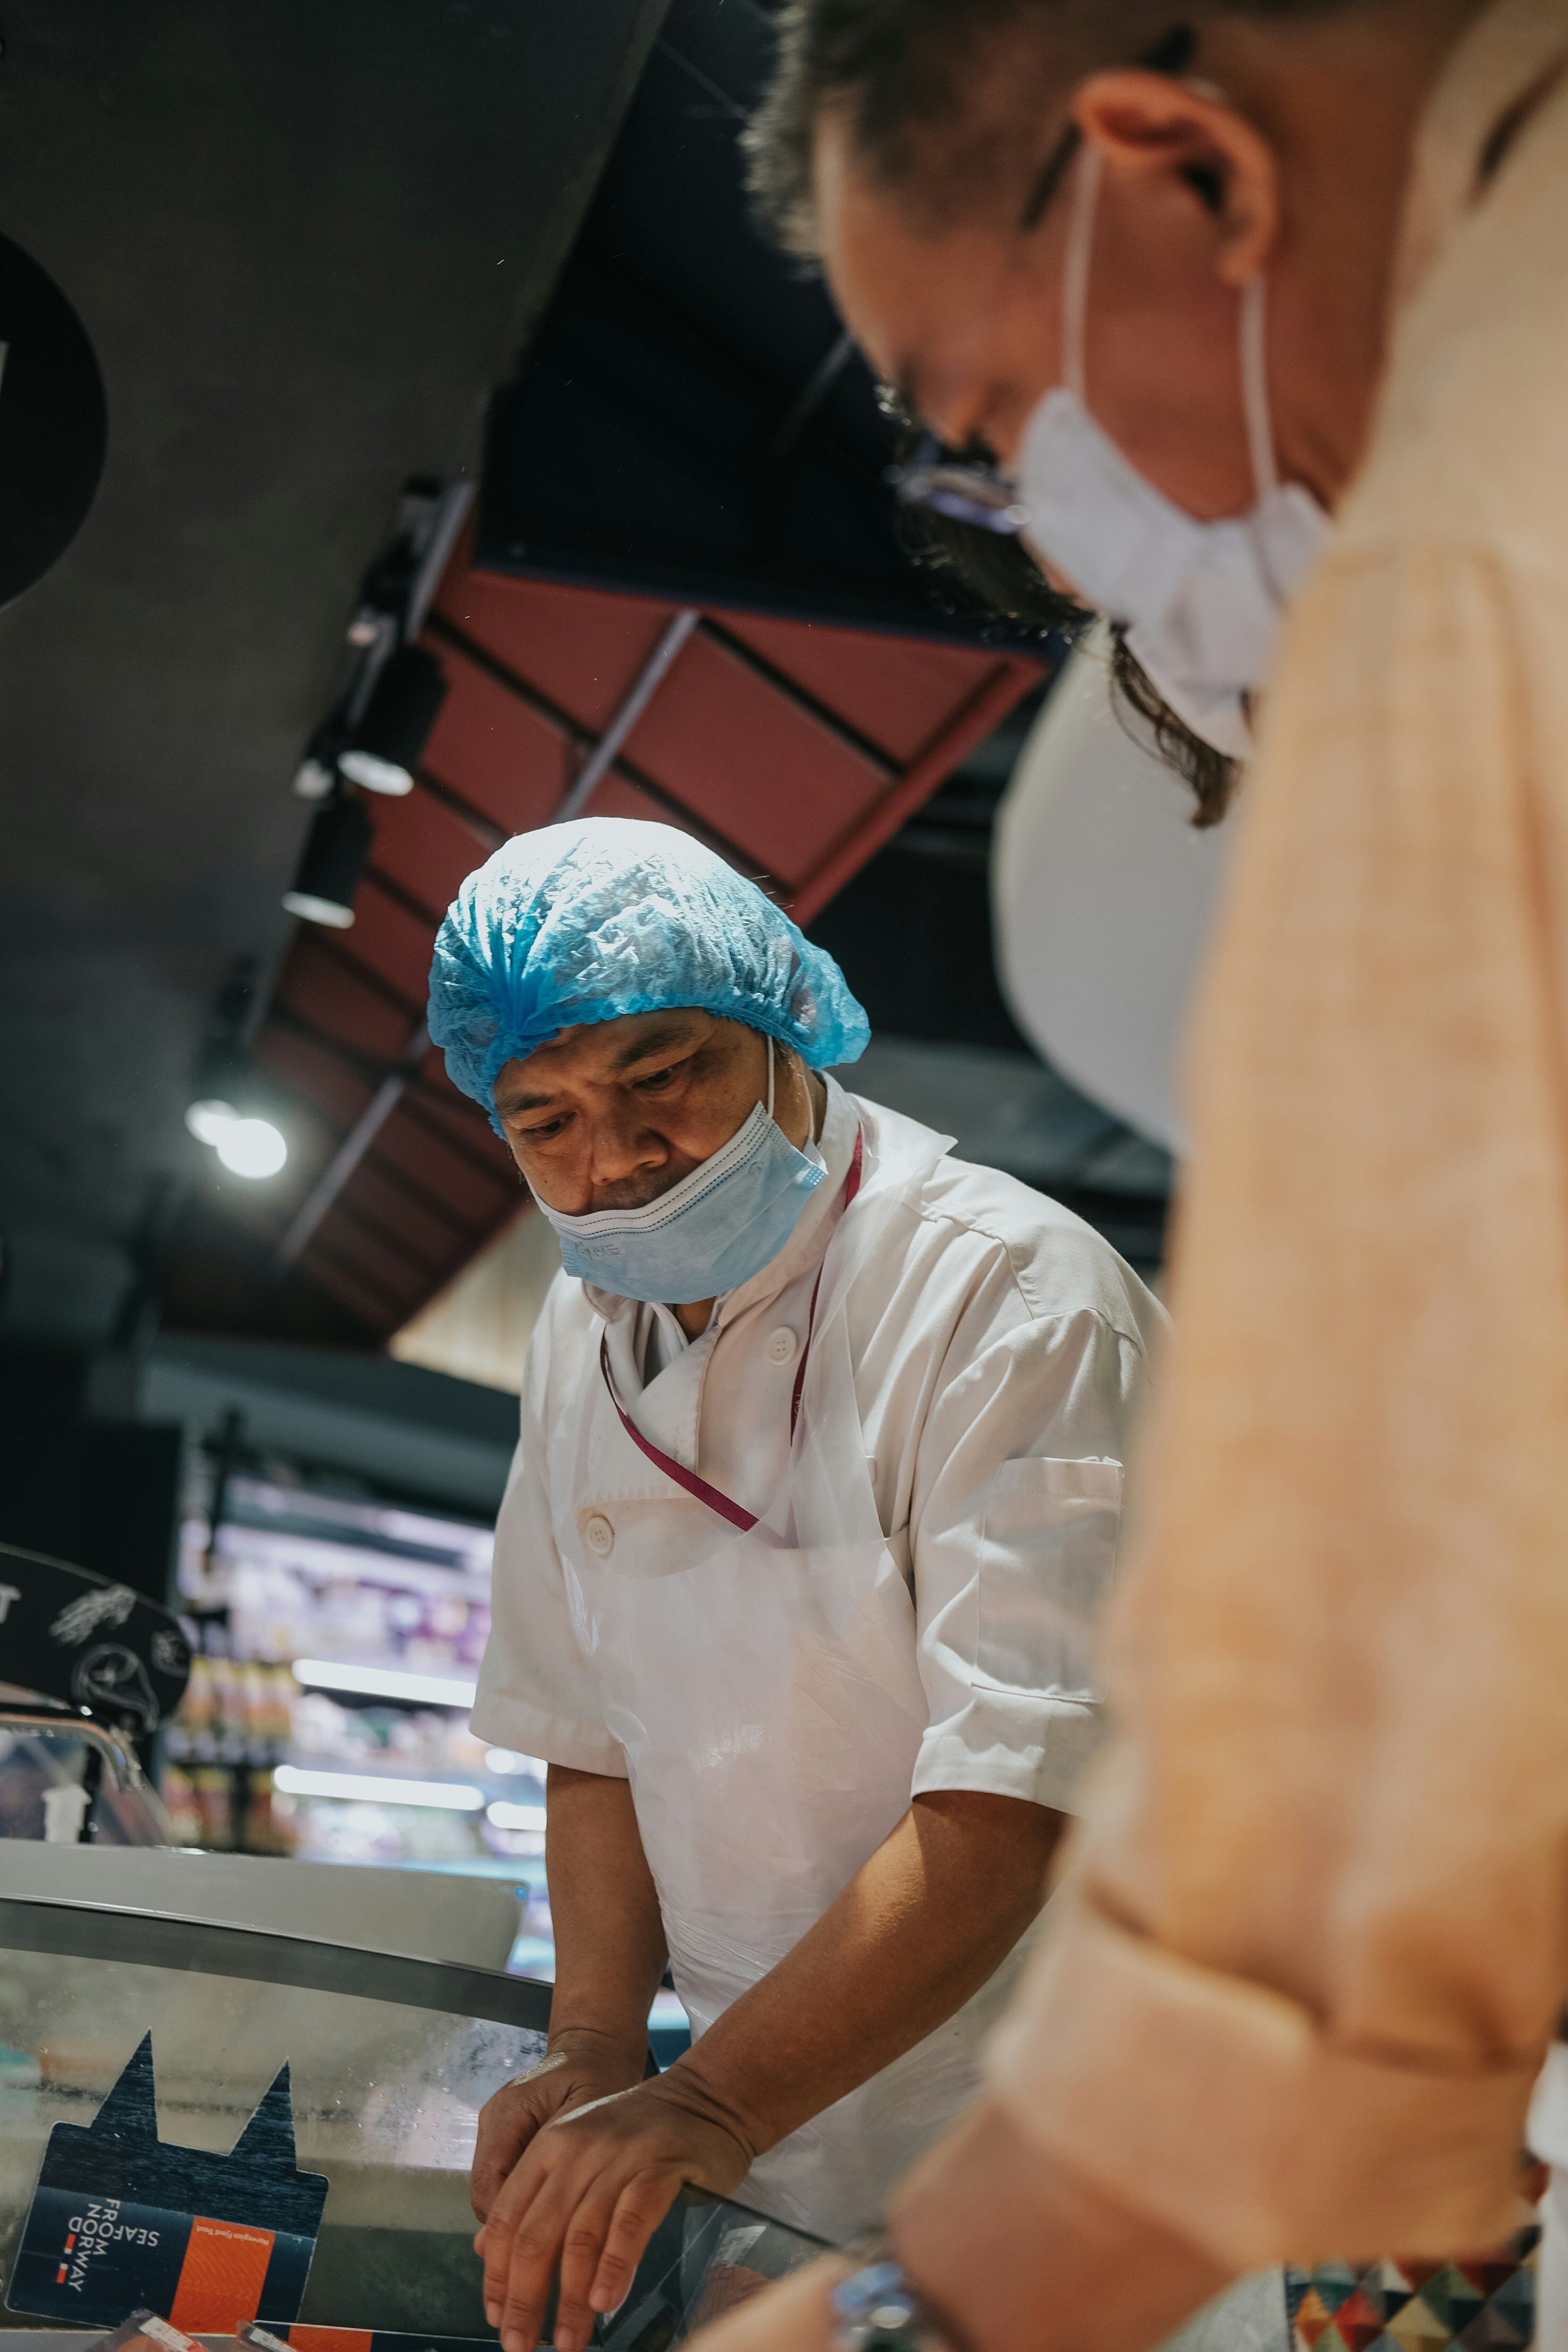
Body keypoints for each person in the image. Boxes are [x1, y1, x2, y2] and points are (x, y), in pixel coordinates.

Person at [684, 3, 1568, 2350]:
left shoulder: (1479, 518)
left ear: (1187, 165)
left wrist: (948, 2302)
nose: (1062, 543)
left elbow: (1413, 1528)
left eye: (994, 428)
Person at [426, 818, 1166, 2352]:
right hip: (767, 2161)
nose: (615, 1161)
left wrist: (709, 2096)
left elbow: (1023, 1787)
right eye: (544, 1119)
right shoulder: (578, 1329)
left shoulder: (1010, 1294)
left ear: (781, 1024)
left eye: (663, 1074)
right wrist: (598, 2047)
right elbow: (593, 1734)